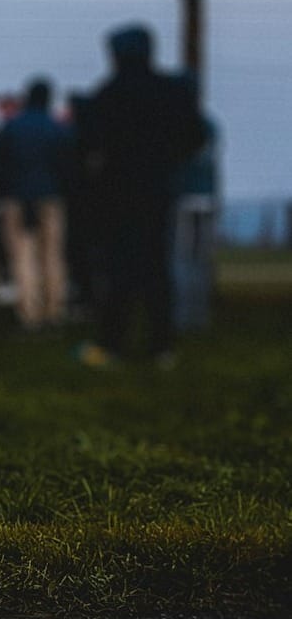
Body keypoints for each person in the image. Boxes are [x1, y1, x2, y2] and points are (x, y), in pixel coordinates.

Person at [75, 25, 206, 365]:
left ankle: (111, 344)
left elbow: (87, 144)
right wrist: (169, 160)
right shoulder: (170, 93)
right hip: (158, 189)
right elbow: (196, 135)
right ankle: (161, 345)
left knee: (118, 269)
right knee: (156, 267)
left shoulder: (108, 94)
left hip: (116, 192)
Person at [0, 77, 74, 330]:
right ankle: (54, 310)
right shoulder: (58, 128)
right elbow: (67, 166)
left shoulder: (12, 127)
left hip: (17, 199)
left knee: (23, 256)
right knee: (53, 255)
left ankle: (30, 313)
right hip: (51, 198)